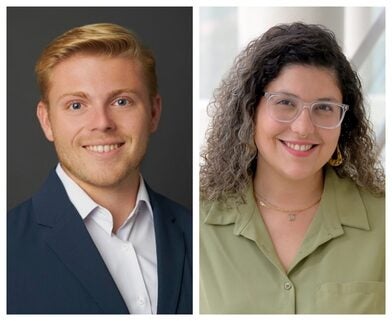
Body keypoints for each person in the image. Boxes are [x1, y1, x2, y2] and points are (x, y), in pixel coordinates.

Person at [200, 22, 384, 314]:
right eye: (285, 102)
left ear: (344, 122)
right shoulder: (196, 221)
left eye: (324, 107)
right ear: (250, 111)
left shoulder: (383, 222)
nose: (302, 128)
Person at [8, 23, 192, 314]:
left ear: (154, 113)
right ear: (46, 121)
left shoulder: (200, 235)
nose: (102, 122)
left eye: (122, 101)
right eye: (76, 105)